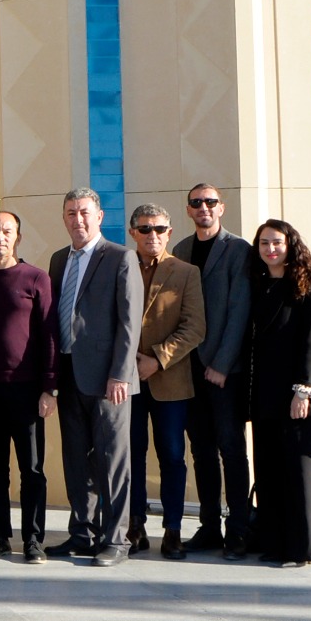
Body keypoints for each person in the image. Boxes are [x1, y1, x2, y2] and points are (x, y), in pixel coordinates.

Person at [47, 189, 143, 565]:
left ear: (99, 216)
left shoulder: (120, 257)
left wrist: (120, 374)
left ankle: (116, 539)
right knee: (76, 459)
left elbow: (129, 322)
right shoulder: (59, 259)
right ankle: (82, 534)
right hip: (69, 374)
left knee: (112, 461)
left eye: (84, 212)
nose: (78, 219)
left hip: (108, 380)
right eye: (71, 213)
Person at [0, 209, 55, 562]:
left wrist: (49, 387)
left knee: (31, 468)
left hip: (27, 389)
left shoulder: (36, 278)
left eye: (6, 231)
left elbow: (49, 335)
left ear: (18, 237)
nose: (0, 237)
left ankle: (33, 540)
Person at [173, 183, 254, 554]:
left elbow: (240, 311)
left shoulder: (238, 250)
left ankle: (238, 528)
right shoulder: (181, 250)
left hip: (224, 372)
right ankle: (209, 527)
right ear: (189, 210)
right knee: (201, 451)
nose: (203, 207)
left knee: (231, 449)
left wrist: (222, 363)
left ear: (221, 207)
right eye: (196, 202)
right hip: (188, 369)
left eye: (210, 202)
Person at [125, 205, 206, 557]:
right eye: (144, 229)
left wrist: (156, 360)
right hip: (127, 380)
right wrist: (130, 363)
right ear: (133, 233)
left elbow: (194, 327)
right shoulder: (121, 267)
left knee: (172, 455)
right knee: (132, 455)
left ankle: (173, 529)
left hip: (170, 379)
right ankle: (135, 526)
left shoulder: (186, 272)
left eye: (159, 228)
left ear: (169, 233)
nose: (152, 235)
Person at [246, 220, 311, 568]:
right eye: (264, 243)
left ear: (290, 244)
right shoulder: (258, 284)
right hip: (264, 391)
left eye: (277, 242)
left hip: (297, 393)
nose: (271, 249)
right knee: (268, 470)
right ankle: (274, 542)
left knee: (298, 473)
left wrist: (304, 389)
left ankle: (300, 549)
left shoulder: (310, 286)